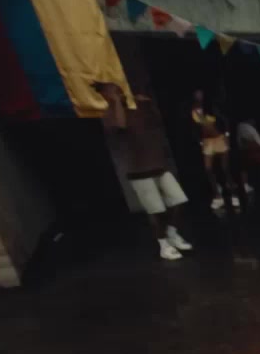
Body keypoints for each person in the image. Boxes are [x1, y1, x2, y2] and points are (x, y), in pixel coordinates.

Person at [100, 83, 194, 261]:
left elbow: (157, 122)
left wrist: (148, 105)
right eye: (112, 91)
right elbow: (121, 126)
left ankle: (172, 233)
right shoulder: (109, 116)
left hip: (158, 165)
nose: (118, 93)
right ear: (105, 95)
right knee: (155, 210)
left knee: (179, 200)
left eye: (119, 90)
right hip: (138, 170)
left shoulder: (136, 110)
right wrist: (116, 102)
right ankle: (163, 245)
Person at [191, 89, 237, 211]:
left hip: (219, 139)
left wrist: (227, 135)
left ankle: (234, 195)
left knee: (225, 168)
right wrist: (199, 141)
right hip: (207, 142)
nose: (198, 95)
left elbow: (224, 120)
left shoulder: (211, 107)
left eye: (200, 93)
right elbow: (195, 127)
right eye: (196, 93)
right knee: (208, 169)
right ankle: (217, 196)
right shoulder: (193, 110)